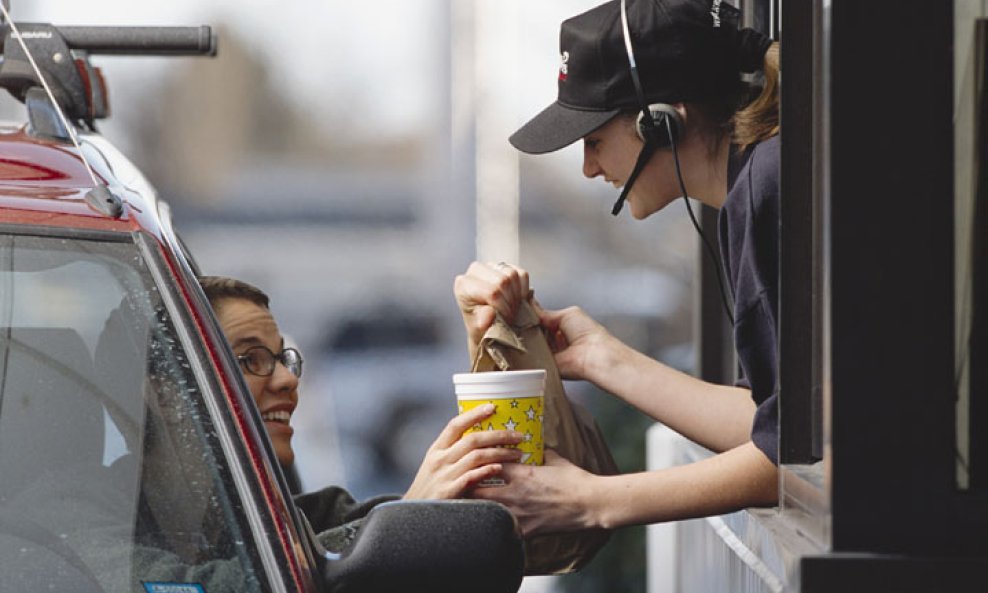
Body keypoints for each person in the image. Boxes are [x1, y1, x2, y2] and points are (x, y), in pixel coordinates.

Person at [453, 0, 781, 537]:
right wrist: (603, 359)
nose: (587, 168)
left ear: (663, 122)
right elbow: (774, 427)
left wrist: (594, 501)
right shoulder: (752, 190)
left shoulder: (768, 185)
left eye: (596, 139)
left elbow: (815, 451)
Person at [199, 275, 523, 550]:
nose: (287, 378)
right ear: (166, 387)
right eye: (251, 359)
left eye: (284, 358)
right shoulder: (157, 539)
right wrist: (407, 518)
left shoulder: (281, 516)